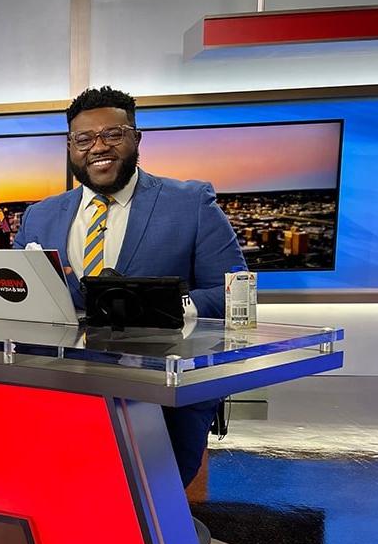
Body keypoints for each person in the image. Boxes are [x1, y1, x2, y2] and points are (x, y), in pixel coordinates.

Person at [13, 86, 246, 487]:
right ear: (71, 147)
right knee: (70, 489)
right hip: (65, 391)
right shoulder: (40, 215)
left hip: (160, 393)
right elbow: (16, 294)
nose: (98, 147)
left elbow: (233, 290)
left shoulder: (189, 202)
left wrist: (154, 304)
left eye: (113, 134)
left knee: (154, 492)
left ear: (136, 138)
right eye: (84, 139)